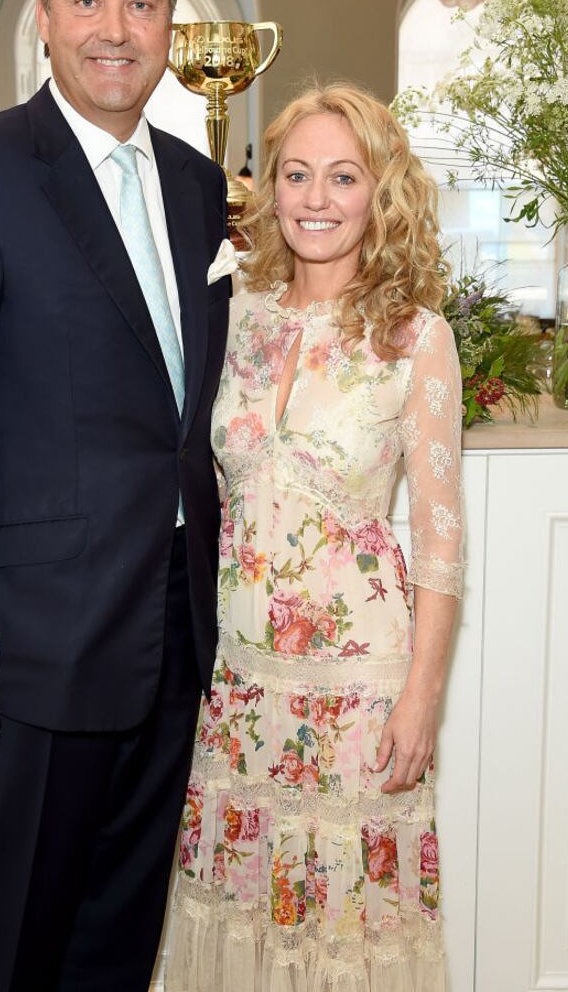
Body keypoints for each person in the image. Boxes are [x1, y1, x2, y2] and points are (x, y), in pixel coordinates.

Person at [0, 0, 229, 992]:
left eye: (140, 3)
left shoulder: (194, 185)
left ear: (170, 21)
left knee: (120, 932)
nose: (114, 29)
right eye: (87, 0)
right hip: (28, 648)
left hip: (174, 623)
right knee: (9, 943)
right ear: (44, 15)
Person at [167, 84, 464, 991]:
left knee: (345, 938)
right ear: (271, 187)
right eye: (297, 174)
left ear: (382, 194)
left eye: (344, 177)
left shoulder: (417, 337)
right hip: (242, 686)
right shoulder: (234, 310)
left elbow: (441, 540)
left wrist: (422, 699)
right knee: (244, 917)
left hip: (361, 692)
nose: (316, 198)